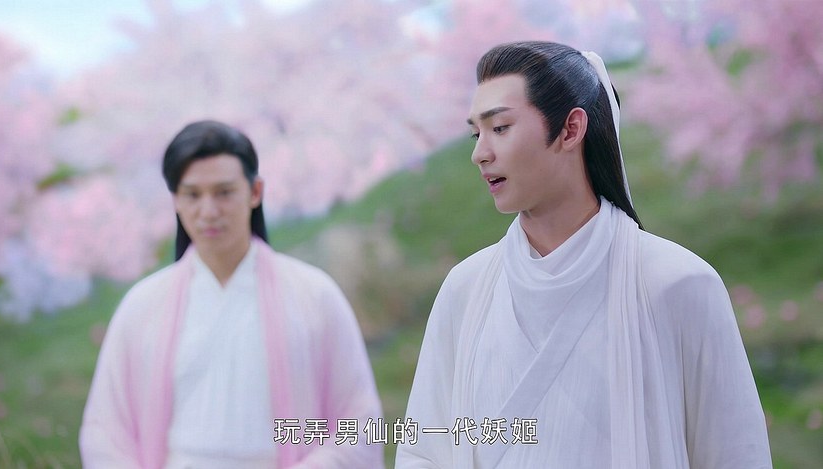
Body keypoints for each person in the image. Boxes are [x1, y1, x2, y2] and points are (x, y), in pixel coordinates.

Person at [395, 41, 772, 468]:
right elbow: (423, 449)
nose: (479, 153)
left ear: (571, 129)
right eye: (475, 133)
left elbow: (737, 455)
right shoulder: (465, 290)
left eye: (499, 128)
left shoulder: (677, 284)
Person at [80, 120, 384, 468]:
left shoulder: (315, 296)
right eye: (192, 195)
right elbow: (105, 431)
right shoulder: (143, 306)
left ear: (255, 192)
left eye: (224, 192)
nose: (208, 211)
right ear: (175, 199)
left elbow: (359, 421)